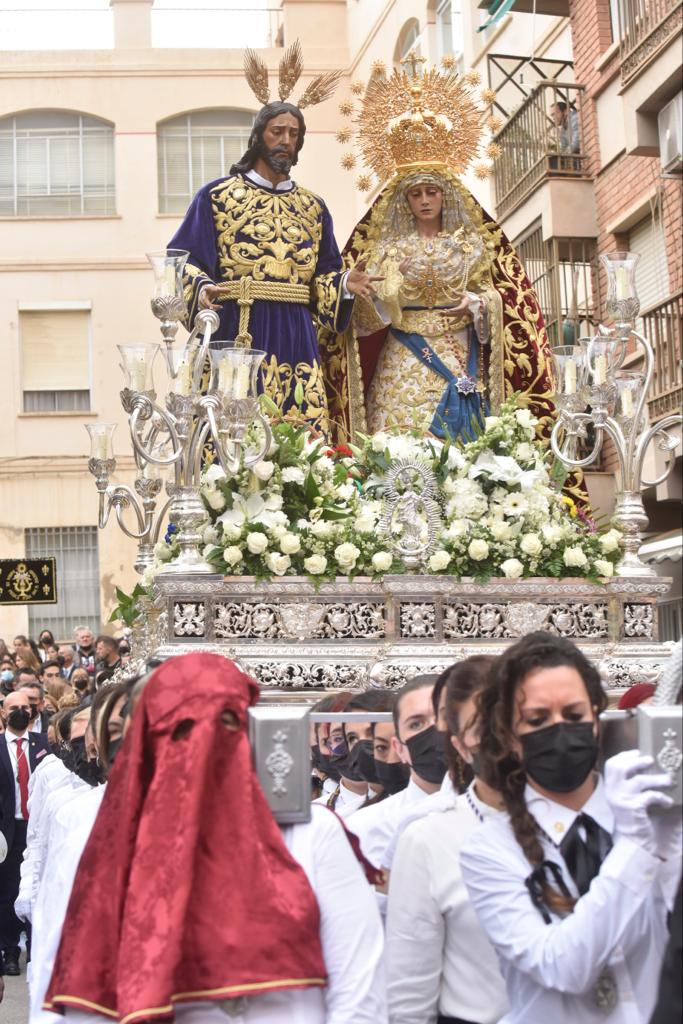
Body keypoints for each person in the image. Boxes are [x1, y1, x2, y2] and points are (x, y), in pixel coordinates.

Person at [44, 653, 387, 1023]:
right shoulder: (97, 847)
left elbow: (358, 990)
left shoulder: (312, 834)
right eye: (180, 728)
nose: (203, 742)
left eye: (224, 723)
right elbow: (71, 995)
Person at [321, 58, 555, 446]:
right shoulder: (388, 249)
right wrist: (379, 291)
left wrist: (478, 305)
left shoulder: (473, 244)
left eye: (432, 192)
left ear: (445, 196)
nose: (425, 201)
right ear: (404, 202)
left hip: (457, 351)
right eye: (416, 194)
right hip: (404, 357)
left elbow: (508, 299)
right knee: (399, 449)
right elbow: (365, 322)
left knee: (464, 453)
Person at [460, 632, 680, 1024]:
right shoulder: (488, 850)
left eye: (575, 716)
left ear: (596, 721)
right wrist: (632, 849)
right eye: (538, 720)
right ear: (511, 737)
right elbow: (562, 968)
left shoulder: (648, 815)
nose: (560, 729)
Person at [169, 45, 379, 438]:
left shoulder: (313, 207)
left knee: (297, 436)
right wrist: (200, 287)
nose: (285, 140)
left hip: (295, 334)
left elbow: (324, 276)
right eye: (277, 131)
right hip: (237, 326)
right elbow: (181, 259)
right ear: (259, 136)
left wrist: (343, 285)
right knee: (234, 431)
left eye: (293, 134)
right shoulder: (216, 196)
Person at [386, 655, 508, 1024]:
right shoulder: (426, 837)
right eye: (480, 725)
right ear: (458, 742)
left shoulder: (589, 822)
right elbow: (409, 993)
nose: (500, 736)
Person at [346, 675, 447, 872]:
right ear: (399, 747)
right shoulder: (364, 827)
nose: (434, 732)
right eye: (416, 724)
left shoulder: (501, 814)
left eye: (444, 717)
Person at [0, 689, 50, 975]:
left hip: (38, 828)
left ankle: (34, 947)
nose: (21, 710)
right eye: (14, 706)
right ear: (4, 712)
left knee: (35, 888)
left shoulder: (43, 744)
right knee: (7, 891)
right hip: (7, 831)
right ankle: (8, 950)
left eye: (26, 706)